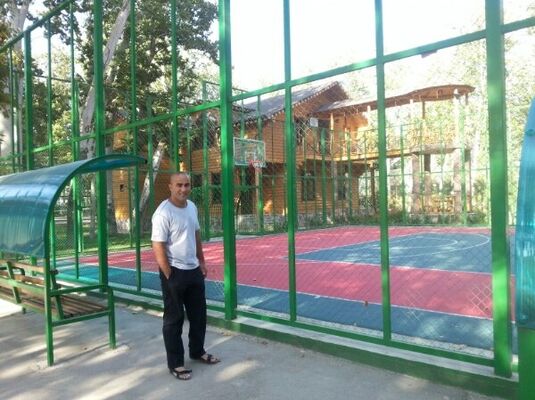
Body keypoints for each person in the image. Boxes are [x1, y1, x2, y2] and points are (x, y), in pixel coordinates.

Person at [151, 172, 220, 381]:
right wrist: (168, 274)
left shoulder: (191, 207)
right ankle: (176, 364)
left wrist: (202, 261)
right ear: (170, 187)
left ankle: (197, 351)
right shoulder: (163, 213)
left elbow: (196, 234)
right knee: (174, 319)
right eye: (179, 185)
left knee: (199, 315)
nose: (183, 189)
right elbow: (158, 245)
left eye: (187, 185)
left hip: (193, 270)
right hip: (174, 271)